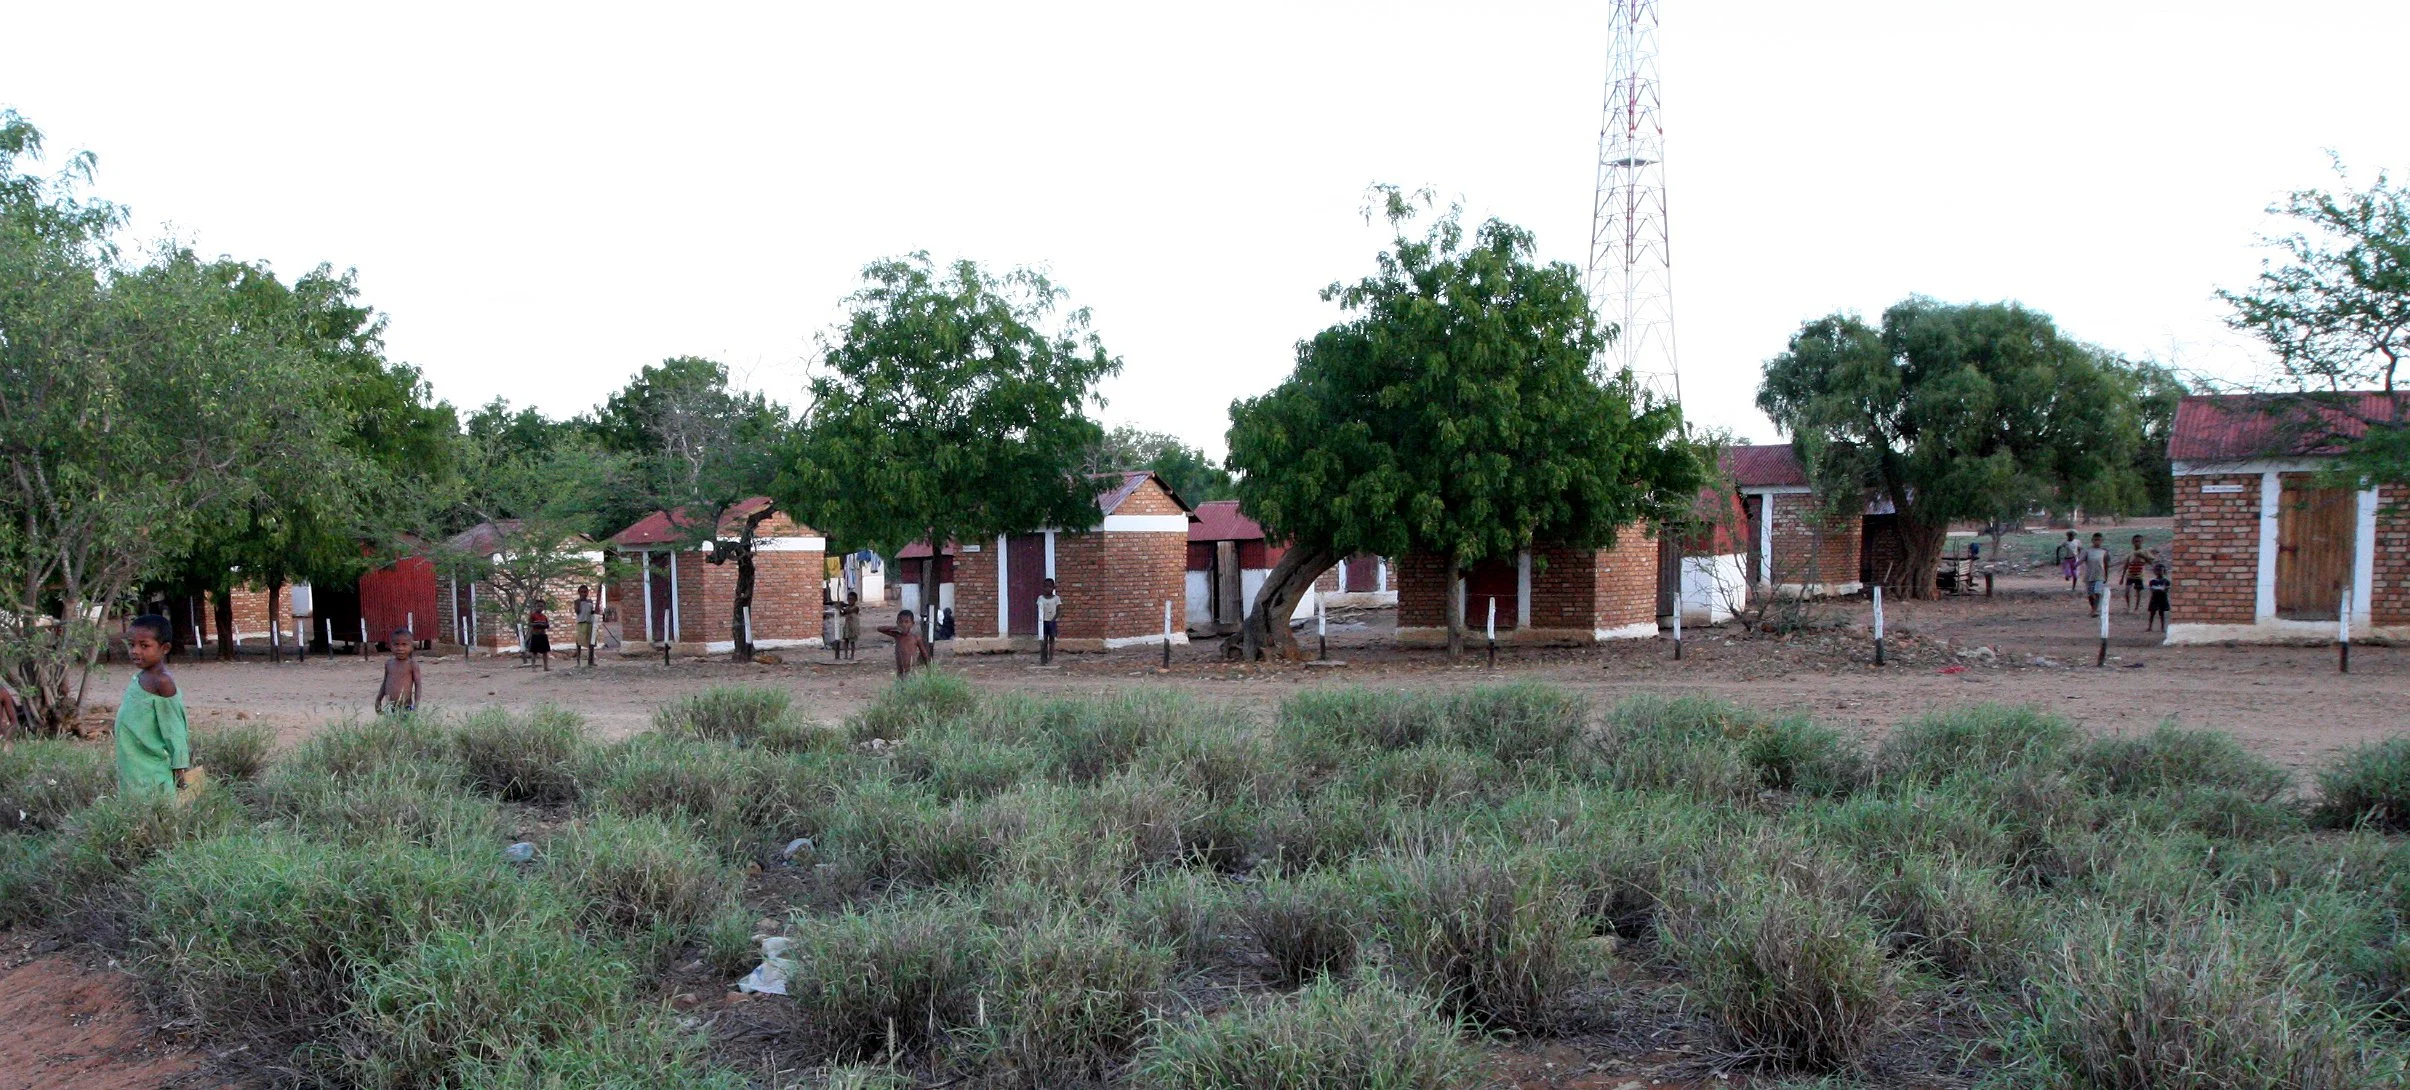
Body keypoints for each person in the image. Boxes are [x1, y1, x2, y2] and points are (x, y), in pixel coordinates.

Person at [115, 615, 192, 796]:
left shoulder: (162, 682)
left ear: (164, 648)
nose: (135, 651)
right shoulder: (141, 677)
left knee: (158, 812)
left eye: (144, 645)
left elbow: (174, 728)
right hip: (134, 763)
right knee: (134, 812)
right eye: (132, 644)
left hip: (153, 768)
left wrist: (180, 765)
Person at [375, 627, 423, 715]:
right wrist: (378, 699)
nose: (400, 648)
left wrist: (416, 704)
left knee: (406, 728)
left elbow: (418, 684)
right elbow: (385, 682)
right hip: (390, 707)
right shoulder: (389, 664)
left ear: (411, 647)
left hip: (406, 707)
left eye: (404, 644)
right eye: (396, 644)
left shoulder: (412, 664)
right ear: (390, 646)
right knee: (390, 728)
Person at [875, 609, 927, 679]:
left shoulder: (915, 638)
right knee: (900, 689)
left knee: (910, 689)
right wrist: (895, 628)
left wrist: (929, 668)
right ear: (897, 623)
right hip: (899, 673)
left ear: (912, 623)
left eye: (906, 622)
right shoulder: (897, 635)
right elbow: (880, 629)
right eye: (901, 622)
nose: (903, 624)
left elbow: (924, 654)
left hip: (911, 672)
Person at [2122, 535, 2156, 614]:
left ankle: (2136, 608)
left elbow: (2151, 562)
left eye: (2139, 541)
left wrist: (2143, 556)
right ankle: (2128, 607)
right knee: (2127, 591)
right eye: (2135, 541)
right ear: (2132, 542)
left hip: (2139, 576)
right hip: (2130, 575)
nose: (2137, 543)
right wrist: (2122, 577)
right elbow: (2126, 565)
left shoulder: (2144, 552)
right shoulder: (2131, 553)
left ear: (2142, 542)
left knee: (2138, 592)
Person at [2082, 532, 2109, 618]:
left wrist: (2106, 576)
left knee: (2097, 592)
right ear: (2092, 540)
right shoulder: (2088, 551)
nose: (2097, 541)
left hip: (2100, 575)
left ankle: (2095, 610)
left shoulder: (2104, 552)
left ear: (2102, 541)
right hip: (2089, 575)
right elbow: (2082, 560)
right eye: (2095, 540)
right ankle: (2094, 608)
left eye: (2099, 540)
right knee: (2090, 594)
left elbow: (2106, 565)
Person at [1037, 578, 1062, 665]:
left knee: (1051, 640)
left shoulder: (1056, 599)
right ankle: (1043, 659)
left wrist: (1053, 619)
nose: (1048, 589)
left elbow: (1058, 611)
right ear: (1043, 588)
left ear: (1053, 588)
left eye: (1050, 587)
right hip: (1043, 622)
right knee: (1043, 641)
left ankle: (1050, 658)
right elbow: (1039, 610)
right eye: (1046, 587)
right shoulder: (1040, 598)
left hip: (1052, 622)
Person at [572, 586, 598, 667]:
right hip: (581, 623)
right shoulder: (577, 601)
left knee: (591, 643)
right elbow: (577, 611)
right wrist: (580, 602)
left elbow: (591, 612)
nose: (584, 594)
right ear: (579, 593)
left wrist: (595, 611)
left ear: (588, 592)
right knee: (579, 642)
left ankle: (591, 661)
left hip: (590, 623)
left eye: (585, 592)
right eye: (582, 592)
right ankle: (578, 661)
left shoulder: (590, 601)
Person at [2145, 563, 2172, 632]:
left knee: (2161, 613)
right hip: (2157, 598)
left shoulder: (2163, 581)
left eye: (2160, 571)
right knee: (2152, 613)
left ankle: (2161, 627)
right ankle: (2151, 627)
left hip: (2159, 598)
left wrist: (2158, 589)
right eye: (2158, 571)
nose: (2159, 572)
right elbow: (2154, 590)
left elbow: (2165, 590)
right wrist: (2161, 589)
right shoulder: (2155, 581)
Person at [526, 604, 552, 671]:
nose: (540, 608)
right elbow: (529, 624)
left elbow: (547, 625)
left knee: (545, 652)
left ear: (543, 608)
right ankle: (533, 667)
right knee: (534, 652)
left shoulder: (544, 616)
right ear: (535, 607)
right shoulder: (533, 615)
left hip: (543, 635)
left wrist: (544, 625)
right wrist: (537, 624)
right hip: (535, 635)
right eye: (538, 606)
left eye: (541, 606)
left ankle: (546, 667)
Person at [840, 590, 862, 661]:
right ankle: (845, 655)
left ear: (855, 600)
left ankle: (852, 656)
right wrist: (840, 608)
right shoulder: (847, 607)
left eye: (851, 599)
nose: (850, 601)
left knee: (852, 641)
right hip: (847, 625)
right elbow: (843, 614)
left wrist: (842, 607)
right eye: (848, 599)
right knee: (846, 640)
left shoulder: (856, 607)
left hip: (853, 626)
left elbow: (848, 611)